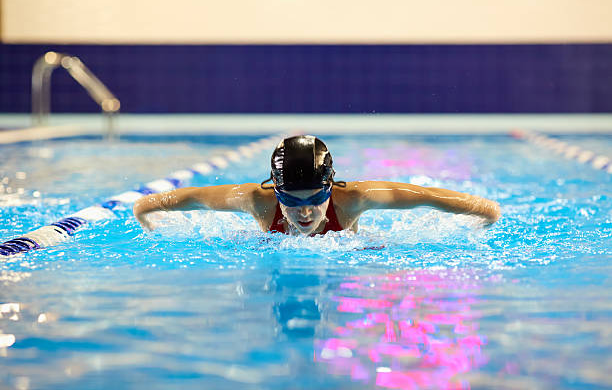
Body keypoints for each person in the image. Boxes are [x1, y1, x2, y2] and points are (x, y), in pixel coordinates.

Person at [133, 135, 501, 235]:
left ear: (331, 188)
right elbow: (178, 199)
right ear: (274, 192)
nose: (305, 212)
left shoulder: (355, 198)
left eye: (316, 198)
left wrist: (485, 213)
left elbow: (430, 198)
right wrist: (148, 218)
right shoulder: (255, 200)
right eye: (290, 201)